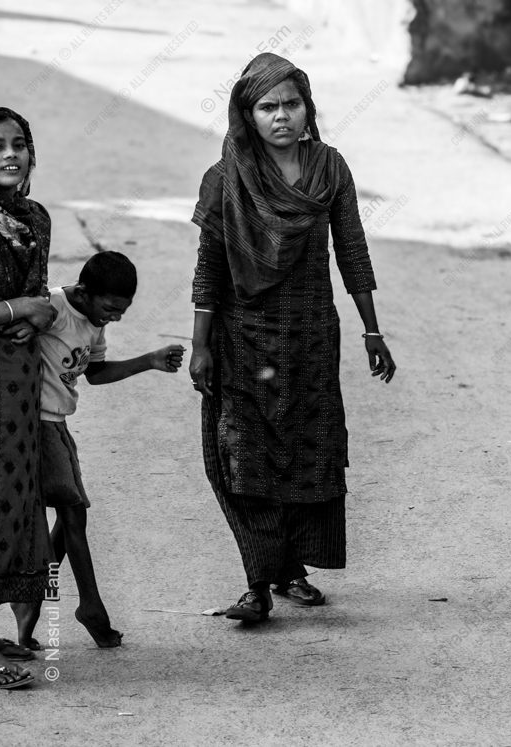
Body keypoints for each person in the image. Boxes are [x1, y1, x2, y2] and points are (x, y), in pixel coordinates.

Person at [189, 52, 396, 624]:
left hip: (309, 337)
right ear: (247, 115)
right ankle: (256, 583)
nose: (282, 116)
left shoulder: (330, 169)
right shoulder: (224, 178)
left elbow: (351, 248)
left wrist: (371, 328)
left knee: (310, 449)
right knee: (244, 456)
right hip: (242, 337)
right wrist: (201, 343)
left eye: (292, 104)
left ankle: (291, 569)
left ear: (307, 109)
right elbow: (209, 266)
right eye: (267, 107)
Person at [11, 251, 185, 649]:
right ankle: (91, 607)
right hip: (37, 423)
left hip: (58, 424)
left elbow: (96, 373)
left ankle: (29, 609)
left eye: (122, 312)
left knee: (65, 521)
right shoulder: (51, 308)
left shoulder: (93, 323)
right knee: (73, 514)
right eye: (109, 308)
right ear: (85, 293)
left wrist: (150, 361)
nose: (113, 318)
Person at [0, 107, 58, 689]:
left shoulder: (34, 217)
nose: (10, 155)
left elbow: (37, 295)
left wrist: (33, 312)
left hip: (18, 390)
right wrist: (11, 311)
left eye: (19, 144)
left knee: (13, 502)